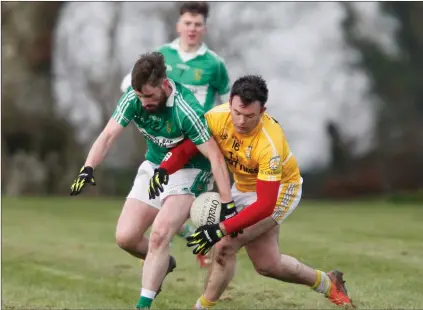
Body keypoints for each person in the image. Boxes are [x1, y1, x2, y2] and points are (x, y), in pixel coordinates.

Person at [149, 75, 355, 309]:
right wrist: (165, 169)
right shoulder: (217, 117)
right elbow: (187, 149)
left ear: (262, 110)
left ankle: (202, 307)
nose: (241, 121)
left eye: (249, 116)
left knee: (225, 244)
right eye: (237, 112)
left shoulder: (270, 142)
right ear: (230, 103)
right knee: (267, 264)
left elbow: (265, 204)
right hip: (244, 187)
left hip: (279, 192)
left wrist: (220, 228)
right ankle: (329, 284)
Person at [69, 51, 236, 309]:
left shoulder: (186, 109)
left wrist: (227, 203)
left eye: (149, 96)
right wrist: (88, 167)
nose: (143, 101)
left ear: (165, 84)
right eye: (139, 96)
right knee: (126, 238)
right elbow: (108, 136)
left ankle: (143, 304)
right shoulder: (133, 99)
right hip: (154, 167)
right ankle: (163, 263)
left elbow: (215, 157)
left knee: (159, 235)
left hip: (190, 172)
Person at [120, 2, 231, 268]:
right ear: (178, 25)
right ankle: (184, 239)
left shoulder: (215, 64)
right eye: (188, 23)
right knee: (158, 200)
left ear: (204, 28)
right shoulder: (161, 56)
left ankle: (205, 243)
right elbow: (128, 84)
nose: (192, 28)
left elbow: (227, 104)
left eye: (198, 24)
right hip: (165, 141)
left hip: (195, 144)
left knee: (194, 204)